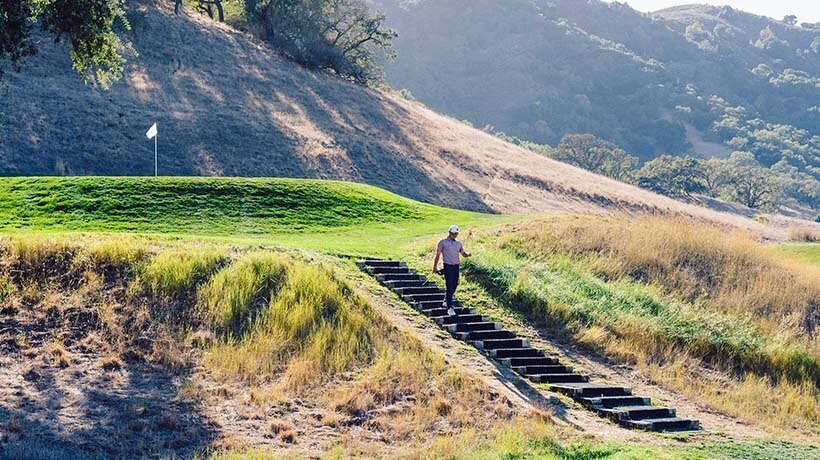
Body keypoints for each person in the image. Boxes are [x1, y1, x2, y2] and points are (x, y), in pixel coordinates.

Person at [432, 225, 472, 316]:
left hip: (456, 267)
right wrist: (434, 267)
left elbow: (463, 253)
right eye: (453, 233)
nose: (455, 235)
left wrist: (468, 254)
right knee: (449, 287)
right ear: (449, 232)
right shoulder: (442, 242)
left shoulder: (458, 243)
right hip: (448, 266)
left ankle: (446, 301)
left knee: (454, 285)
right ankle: (449, 308)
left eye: (456, 234)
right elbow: (437, 255)